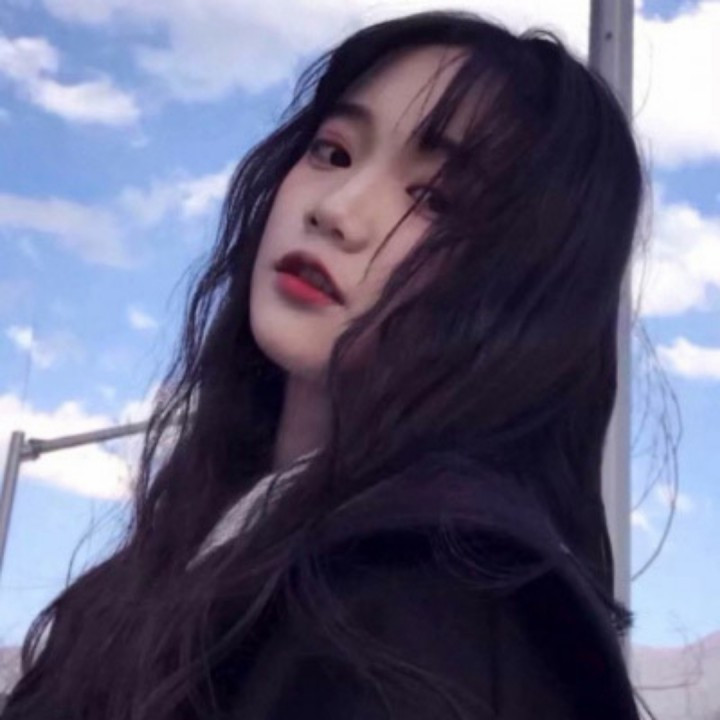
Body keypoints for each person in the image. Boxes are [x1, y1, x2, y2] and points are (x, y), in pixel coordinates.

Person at [2, 10, 654, 720]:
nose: (336, 210)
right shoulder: (201, 544)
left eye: (433, 200)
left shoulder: (434, 602)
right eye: (333, 153)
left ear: (527, 293)